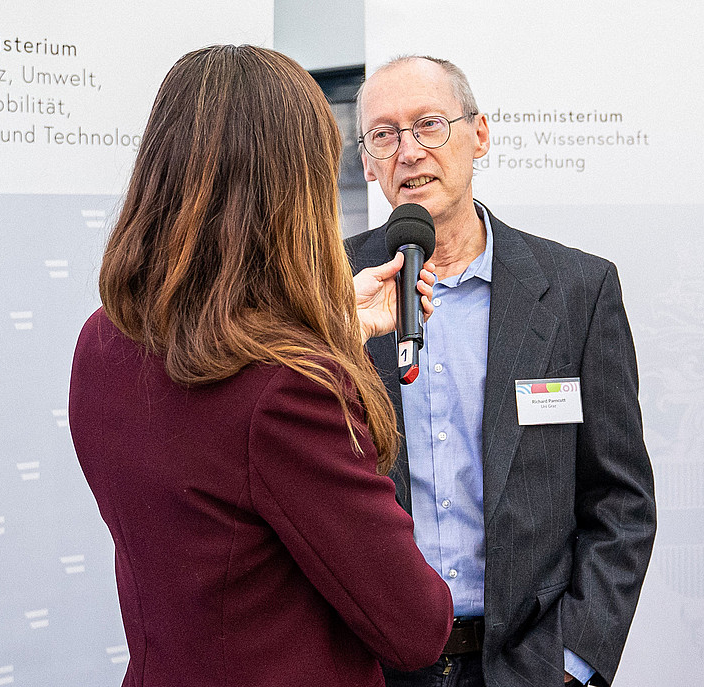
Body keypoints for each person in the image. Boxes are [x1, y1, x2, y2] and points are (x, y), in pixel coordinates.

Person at [69, 45, 453, 687]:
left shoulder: (102, 341)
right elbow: (415, 627)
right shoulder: (289, 392)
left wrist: (329, 335)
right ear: (290, 192)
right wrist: (321, 363)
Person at [345, 56, 656, 687]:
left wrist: (573, 665)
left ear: (479, 135)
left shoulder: (576, 291)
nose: (409, 151)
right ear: (369, 162)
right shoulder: (322, 289)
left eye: (429, 125)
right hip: (370, 667)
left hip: (526, 666)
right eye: (384, 134)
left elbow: (620, 500)